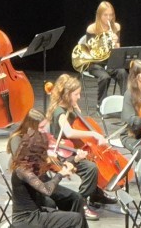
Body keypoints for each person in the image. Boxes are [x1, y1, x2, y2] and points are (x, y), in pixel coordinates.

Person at [46, 74, 113, 220]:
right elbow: (69, 132)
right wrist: (93, 134)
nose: (79, 97)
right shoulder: (59, 111)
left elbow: (79, 122)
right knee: (91, 167)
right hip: (62, 152)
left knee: (95, 161)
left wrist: (76, 108)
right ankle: (81, 202)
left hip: (72, 148)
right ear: (67, 94)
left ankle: (96, 195)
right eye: (76, 94)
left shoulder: (69, 107)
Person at [7, 109, 90, 220]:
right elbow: (23, 164)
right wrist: (46, 160)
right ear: (30, 126)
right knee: (49, 203)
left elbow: (57, 166)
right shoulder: (17, 139)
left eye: (44, 128)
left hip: (45, 181)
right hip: (32, 186)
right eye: (41, 128)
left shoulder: (40, 139)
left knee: (76, 198)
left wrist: (75, 159)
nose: (44, 132)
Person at [77, 1, 127, 102]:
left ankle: (126, 102)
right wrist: (104, 44)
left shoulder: (116, 27)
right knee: (105, 77)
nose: (109, 18)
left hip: (110, 62)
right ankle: (101, 105)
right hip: (94, 64)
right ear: (99, 15)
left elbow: (118, 51)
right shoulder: (92, 29)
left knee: (123, 73)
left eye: (111, 15)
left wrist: (115, 43)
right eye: (105, 15)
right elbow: (90, 53)